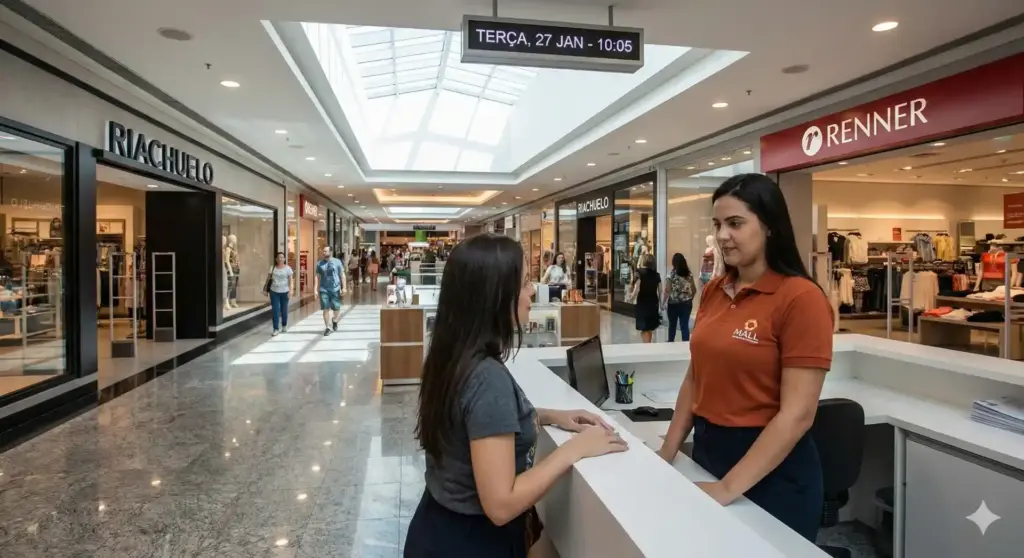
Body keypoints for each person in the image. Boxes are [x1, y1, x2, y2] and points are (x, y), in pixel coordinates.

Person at [405, 234, 628, 557]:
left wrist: (548, 415)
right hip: (470, 543)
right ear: (495, 296)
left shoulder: (453, 355)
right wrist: (574, 450)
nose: (532, 290)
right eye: (524, 283)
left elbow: (475, 423)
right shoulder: (486, 377)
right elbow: (501, 503)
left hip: (438, 529)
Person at [656, 173, 833, 543]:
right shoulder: (716, 290)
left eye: (735, 224)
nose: (722, 236)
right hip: (709, 450)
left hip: (772, 470)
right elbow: (696, 376)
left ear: (769, 227)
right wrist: (666, 452)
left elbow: (798, 414)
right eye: (718, 224)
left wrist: (726, 489)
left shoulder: (801, 298)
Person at [628, 254, 661, 343]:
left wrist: (631, 297)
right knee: (649, 327)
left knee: (644, 327)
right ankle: (648, 343)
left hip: (643, 302)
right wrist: (661, 304)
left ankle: (646, 345)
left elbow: (637, 286)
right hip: (653, 302)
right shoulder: (657, 275)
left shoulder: (640, 272)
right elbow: (660, 291)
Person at [662, 253, 696, 342]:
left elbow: (667, 290)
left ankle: (671, 342)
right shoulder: (689, 275)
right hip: (687, 303)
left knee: (672, 325)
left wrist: (663, 302)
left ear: (673, 263)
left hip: (673, 304)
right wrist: (689, 299)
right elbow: (694, 289)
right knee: (684, 325)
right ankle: (685, 345)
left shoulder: (671, 274)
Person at [314, 245, 345, 336]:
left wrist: (344, 287)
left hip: (335, 289)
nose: (323, 253)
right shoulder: (319, 263)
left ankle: (335, 320)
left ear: (330, 252)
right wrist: (315, 289)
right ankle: (327, 327)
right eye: (323, 251)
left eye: (325, 251)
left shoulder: (337, 262)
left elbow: (342, 275)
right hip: (324, 289)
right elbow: (317, 276)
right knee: (326, 308)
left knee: (336, 308)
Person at [267, 251, 293, 336]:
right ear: (276, 259)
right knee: (275, 310)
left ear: (284, 259)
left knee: (284, 310)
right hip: (274, 291)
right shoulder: (272, 267)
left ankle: (284, 325)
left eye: (282, 257)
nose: (280, 259)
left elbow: (291, 280)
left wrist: (291, 290)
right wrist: (265, 289)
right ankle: (275, 328)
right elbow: (268, 279)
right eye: (279, 257)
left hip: (285, 291)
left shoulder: (288, 268)